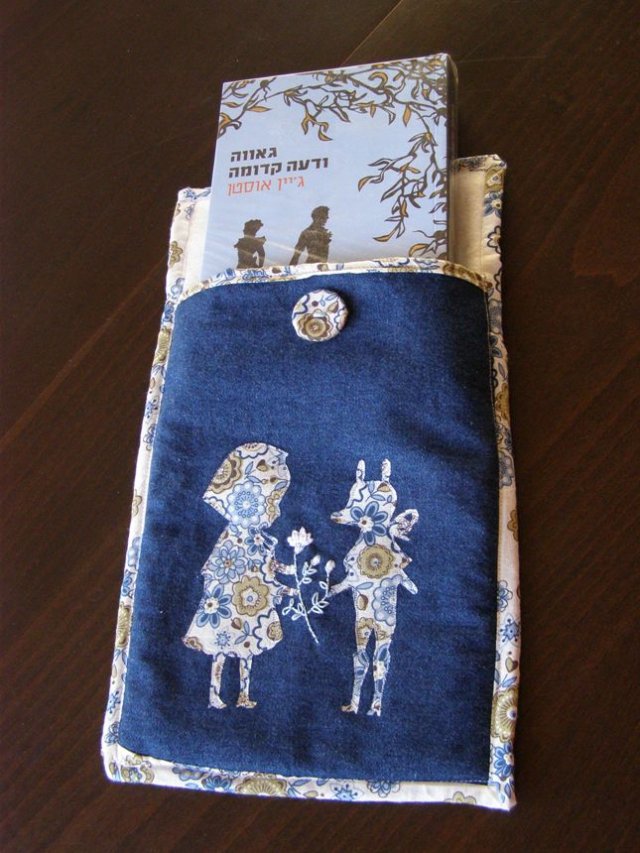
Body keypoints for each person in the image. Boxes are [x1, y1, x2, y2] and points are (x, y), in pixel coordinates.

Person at [183, 442, 299, 708]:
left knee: (247, 648)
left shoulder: (261, 540)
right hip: (228, 606)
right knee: (222, 648)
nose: (278, 510)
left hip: (250, 605)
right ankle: (214, 695)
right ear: (249, 501)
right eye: (274, 501)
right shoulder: (235, 537)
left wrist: (290, 574)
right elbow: (224, 568)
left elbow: (268, 569)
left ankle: (243, 695)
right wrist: (282, 587)